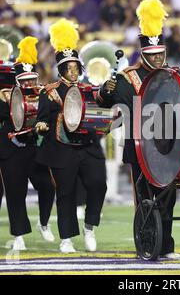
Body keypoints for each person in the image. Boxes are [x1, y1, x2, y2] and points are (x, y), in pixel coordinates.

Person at [96, 0, 180, 259]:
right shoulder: (127, 78)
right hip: (141, 147)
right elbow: (109, 102)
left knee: (169, 199)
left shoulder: (172, 75)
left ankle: (166, 246)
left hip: (169, 147)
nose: (157, 59)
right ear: (143, 53)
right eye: (152, 55)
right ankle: (146, 244)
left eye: (159, 54)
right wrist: (104, 91)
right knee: (144, 197)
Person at [35, 18, 107, 253]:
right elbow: (42, 117)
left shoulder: (89, 90)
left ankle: (89, 227)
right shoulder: (50, 91)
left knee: (98, 184)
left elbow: (100, 110)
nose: (74, 72)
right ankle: (66, 238)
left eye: (76, 68)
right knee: (65, 192)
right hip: (61, 147)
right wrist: (41, 125)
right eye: (69, 68)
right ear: (62, 69)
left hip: (87, 146)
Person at [0, 37, 55, 250]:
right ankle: (19, 235)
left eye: (32, 80)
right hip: (11, 150)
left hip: (34, 148)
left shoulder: (43, 96)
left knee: (47, 187)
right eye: (24, 81)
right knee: (15, 192)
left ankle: (43, 223)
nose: (29, 84)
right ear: (17, 82)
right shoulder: (5, 98)